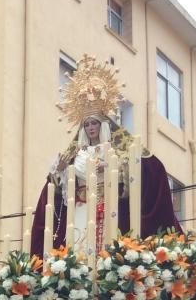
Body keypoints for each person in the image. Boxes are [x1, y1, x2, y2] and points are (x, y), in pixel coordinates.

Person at [30, 55, 180, 256]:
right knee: (80, 246)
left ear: (102, 125)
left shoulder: (115, 151)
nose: (91, 128)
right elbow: (62, 192)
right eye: (87, 124)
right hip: (82, 208)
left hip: (109, 207)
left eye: (94, 123)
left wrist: (111, 167)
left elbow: (142, 168)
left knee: (106, 245)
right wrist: (60, 172)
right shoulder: (77, 153)